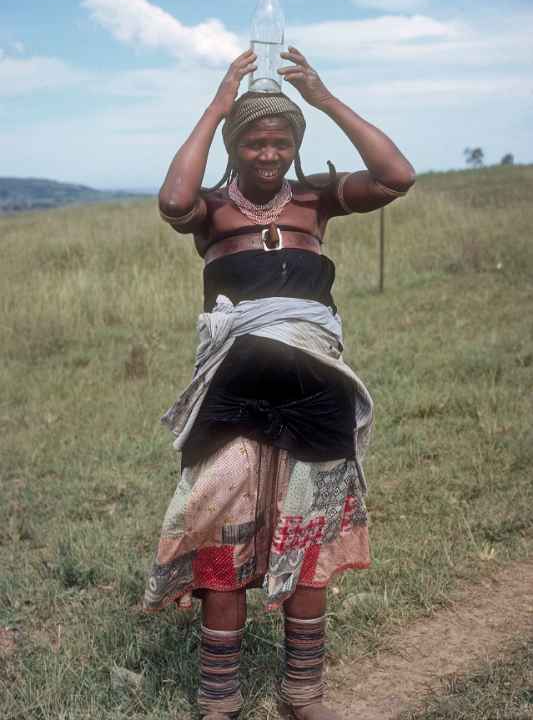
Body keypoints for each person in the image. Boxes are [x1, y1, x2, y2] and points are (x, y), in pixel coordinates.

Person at [143, 47, 416, 719]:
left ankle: (302, 692)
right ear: (234, 148)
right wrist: (219, 102)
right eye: (253, 141)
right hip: (233, 394)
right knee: (218, 533)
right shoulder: (211, 211)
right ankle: (219, 698)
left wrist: (322, 98)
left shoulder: (315, 200)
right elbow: (173, 199)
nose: (267, 152)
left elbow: (397, 175)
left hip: (314, 389)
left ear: (295, 146)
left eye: (280, 140)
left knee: (309, 532)